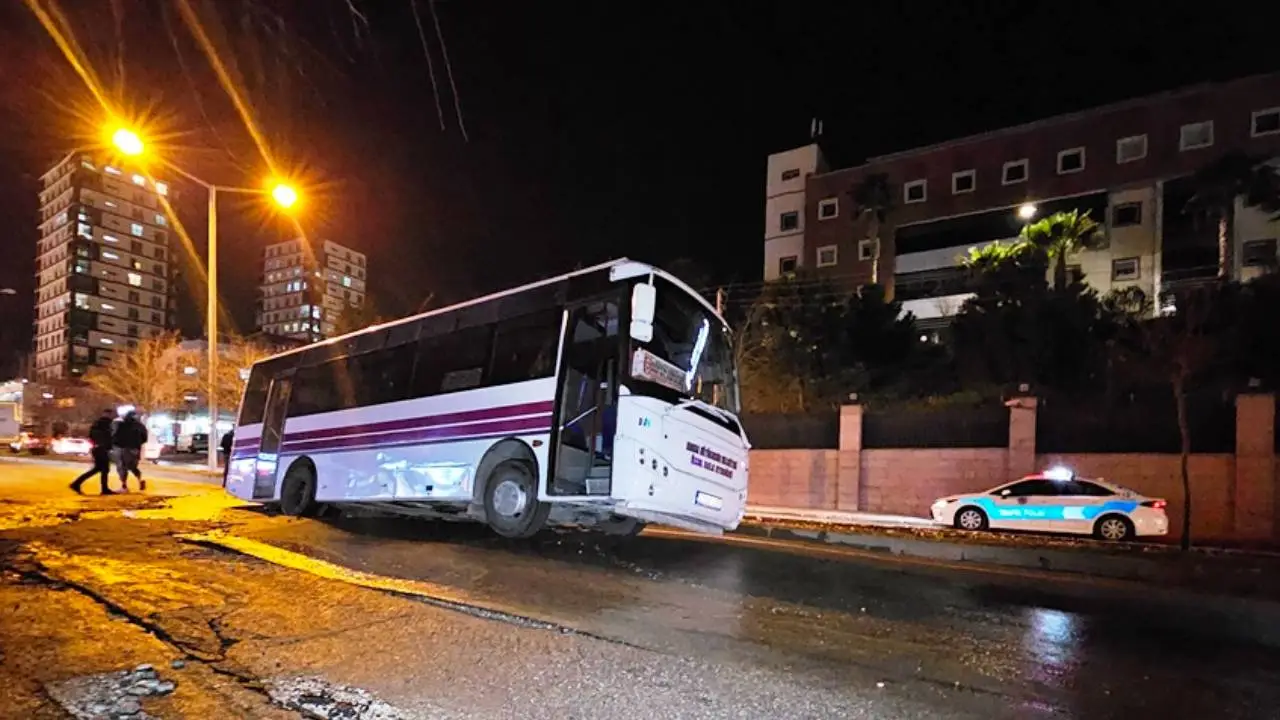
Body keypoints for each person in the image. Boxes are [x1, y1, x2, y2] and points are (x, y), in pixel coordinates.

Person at [70, 409, 116, 495]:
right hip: (101, 449)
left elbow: (92, 436)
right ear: (108, 414)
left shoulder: (97, 423)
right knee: (102, 469)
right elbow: (108, 436)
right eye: (111, 414)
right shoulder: (107, 424)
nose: (112, 416)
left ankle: (103, 488)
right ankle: (76, 484)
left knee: (101, 469)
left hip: (97, 448)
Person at [113, 411, 148, 492]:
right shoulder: (141, 426)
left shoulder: (122, 425)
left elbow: (116, 436)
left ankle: (124, 486)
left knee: (122, 466)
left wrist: (116, 445)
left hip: (125, 448)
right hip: (136, 449)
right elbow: (145, 438)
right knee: (133, 467)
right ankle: (140, 480)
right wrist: (137, 444)